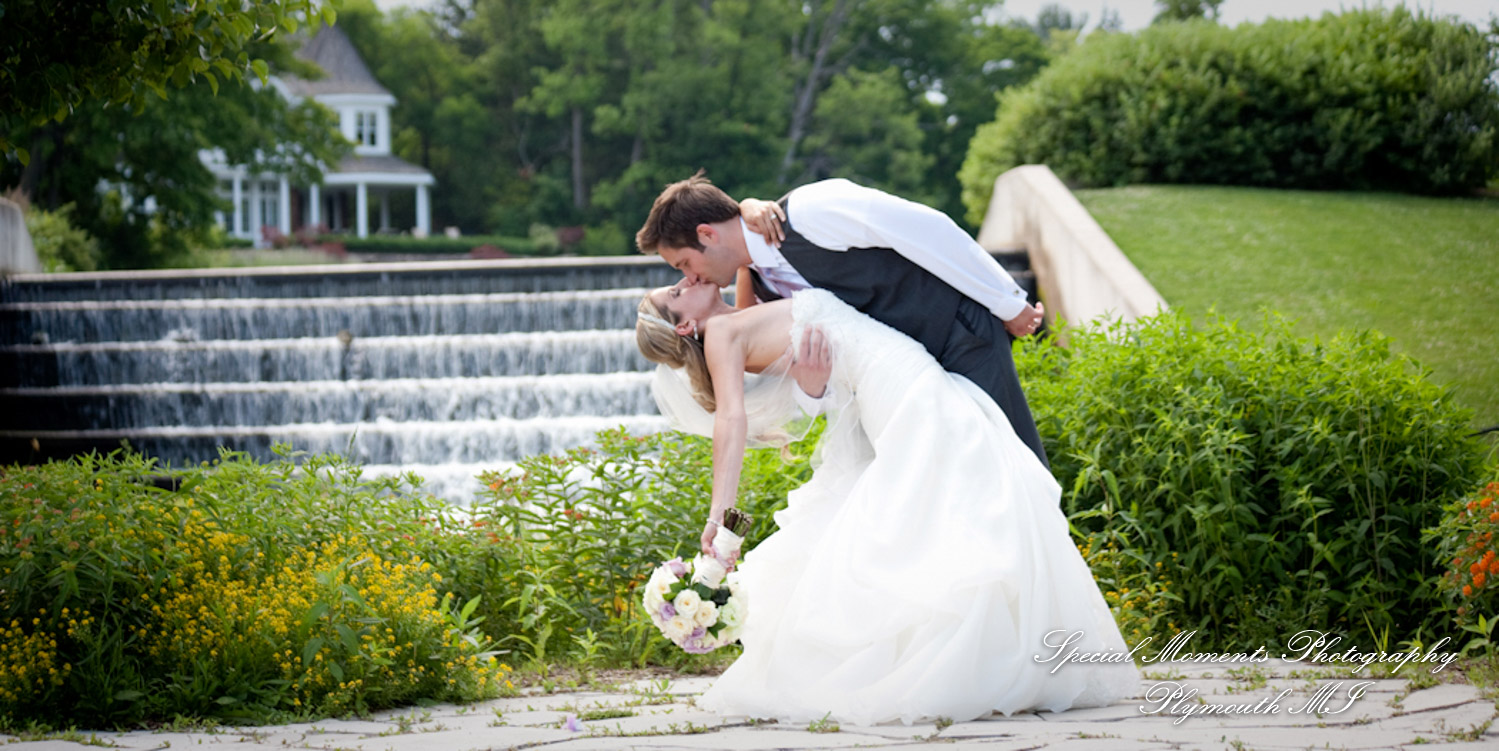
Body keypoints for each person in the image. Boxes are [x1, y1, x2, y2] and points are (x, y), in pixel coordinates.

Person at [633, 280, 1139, 725]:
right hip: (893, 383)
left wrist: (812, 386)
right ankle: (960, 664)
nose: (687, 280)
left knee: (956, 496)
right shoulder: (721, 334)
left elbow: (796, 355)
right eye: (676, 293)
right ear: (686, 327)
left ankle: (986, 654)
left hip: (893, 374)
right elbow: (731, 420)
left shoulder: (741, 312)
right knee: (966, 493)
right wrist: (719, 517)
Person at [637, 171, 1050, 467]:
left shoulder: (811, 210)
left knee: (1017, 466)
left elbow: (929, 231)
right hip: (909, 386)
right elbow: (821, 365)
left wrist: (1009, 302)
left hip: (961, 337)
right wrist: (813, 389)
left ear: (707, 234)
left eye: (684, 263)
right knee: (963, 491)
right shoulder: (758, 291)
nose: (689, 277)